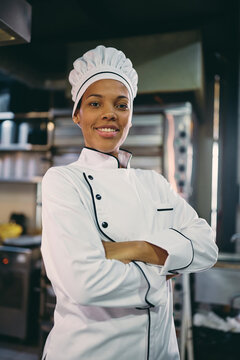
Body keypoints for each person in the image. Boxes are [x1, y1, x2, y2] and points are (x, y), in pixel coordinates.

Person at [41, 45, 218, 360]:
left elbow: (206, 246)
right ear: (77, 114)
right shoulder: (63, 181)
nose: (110, 113)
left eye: (121, 105)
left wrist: (132, 250)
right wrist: (163, 268)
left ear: (130, 116)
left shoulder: (154, 183)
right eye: (95, 103)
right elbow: (85, 284)